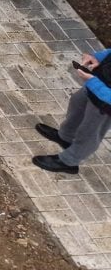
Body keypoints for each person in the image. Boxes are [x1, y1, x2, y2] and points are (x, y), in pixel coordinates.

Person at [34, 46, 111, 175]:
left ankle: (70, 161)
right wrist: (96, 57)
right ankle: (66, 137)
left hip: (105, 106)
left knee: (89, 132)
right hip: (96, 84)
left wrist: (92, 82)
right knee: (76, 106)